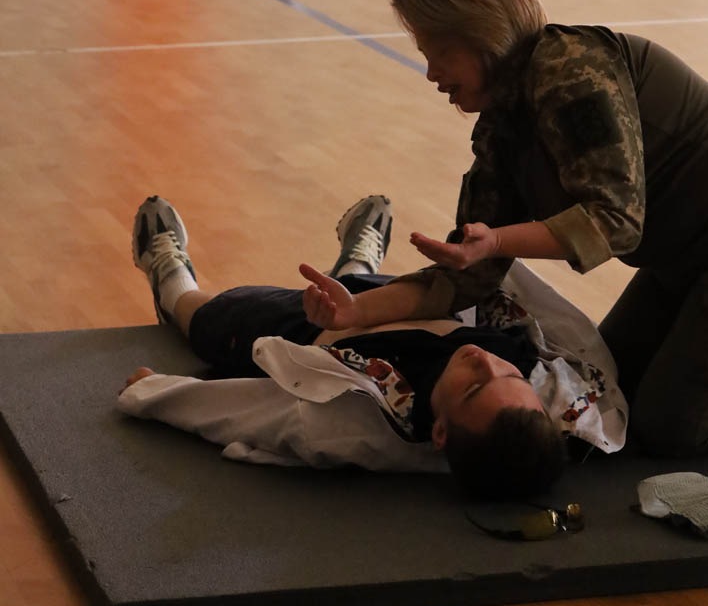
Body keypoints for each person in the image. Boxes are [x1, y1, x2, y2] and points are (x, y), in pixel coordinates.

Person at [315, 0, 708, 458]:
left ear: (482, 37)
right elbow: (469, 277)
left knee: (676, 423)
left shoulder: (568, 68)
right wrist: (355, 311)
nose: (431, 74)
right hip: (695, 257)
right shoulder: (503, 127)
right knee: (612, 386)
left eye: (438, 53)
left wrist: (497, 240)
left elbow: (614, 220)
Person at [119, 194, 627, 498]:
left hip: (307, 332)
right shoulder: (543, 398)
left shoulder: (359, 428)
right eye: (509, 375)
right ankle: (358, 264)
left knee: (205, 319)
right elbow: (602, 404)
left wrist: (157, 393)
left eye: (474, 388)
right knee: (355, 292)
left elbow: (252, 413)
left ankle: (168, 276)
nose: (484, 362)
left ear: (441, 432)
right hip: (403, 301)